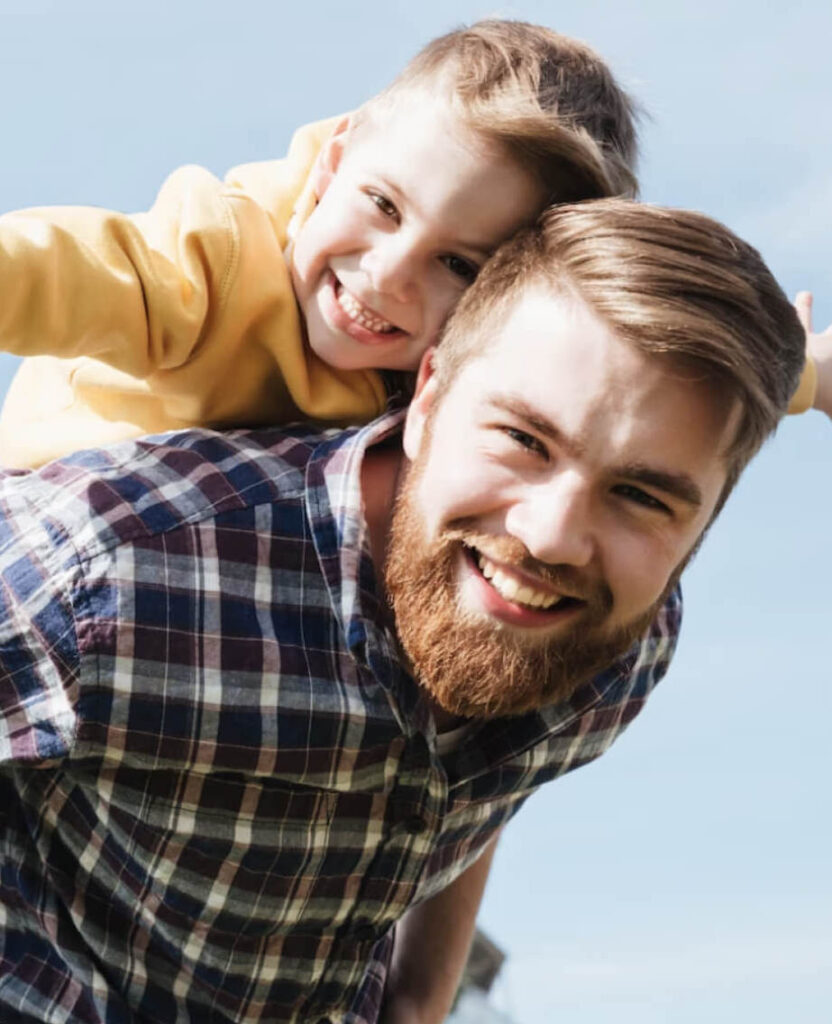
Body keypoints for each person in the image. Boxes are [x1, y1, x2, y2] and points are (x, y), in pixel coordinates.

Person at [0, 198, 811, 1023]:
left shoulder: (617, 650)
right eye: (525, 440)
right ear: (427, 401)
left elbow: (486, 772)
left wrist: (421, 999)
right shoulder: (115, 569)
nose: (552, 537)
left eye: (639, 494)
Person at [0, 20, 638, 470]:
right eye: (384, 205)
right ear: (332, 167)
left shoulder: (461, 386)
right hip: (43, 531)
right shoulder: (215, 264)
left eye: (456, 264)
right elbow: (66, 270)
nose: (388, 273)